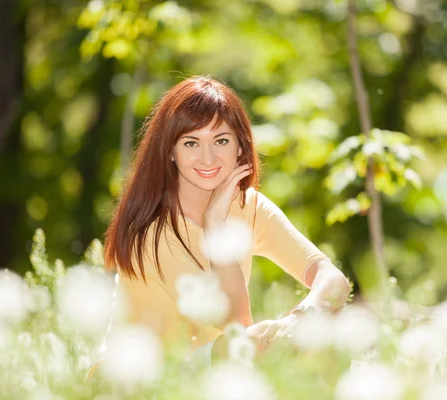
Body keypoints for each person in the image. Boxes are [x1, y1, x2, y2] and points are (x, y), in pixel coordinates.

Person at [102, 76, 351, 365]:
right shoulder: (151, 232)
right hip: (140, 380)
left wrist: (299, 320)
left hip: (213, 372)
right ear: (170, 151)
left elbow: (332, 279)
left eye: (220, 140)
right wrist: (215, 228)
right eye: (191, 142)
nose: (207, 158)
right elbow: (238, 325)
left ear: (240, 147)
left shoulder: (249, 206)